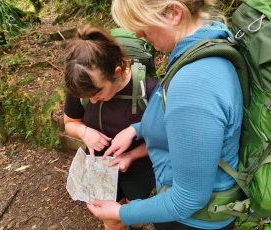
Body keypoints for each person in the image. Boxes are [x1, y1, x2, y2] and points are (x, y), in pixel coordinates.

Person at [86, 1, 243, 230]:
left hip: (194, 221)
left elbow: (187, 199)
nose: (138, 34)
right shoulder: (205, 42)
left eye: (142, 25)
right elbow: (183, 120)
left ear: (173, 13)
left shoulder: (193, 85)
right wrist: (135, 129)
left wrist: (121, 212)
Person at [63, 25, 157, 230]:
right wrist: (84, 132)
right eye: (88, 98)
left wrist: (132, 155)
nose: (94, 102)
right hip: (100, 170)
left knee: (134, 217)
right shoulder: (82, 86)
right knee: (111, 220)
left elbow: (162, 138)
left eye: (98, 93)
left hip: (138, 170)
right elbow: (70, 123)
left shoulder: (148, 90)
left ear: (118, 71)